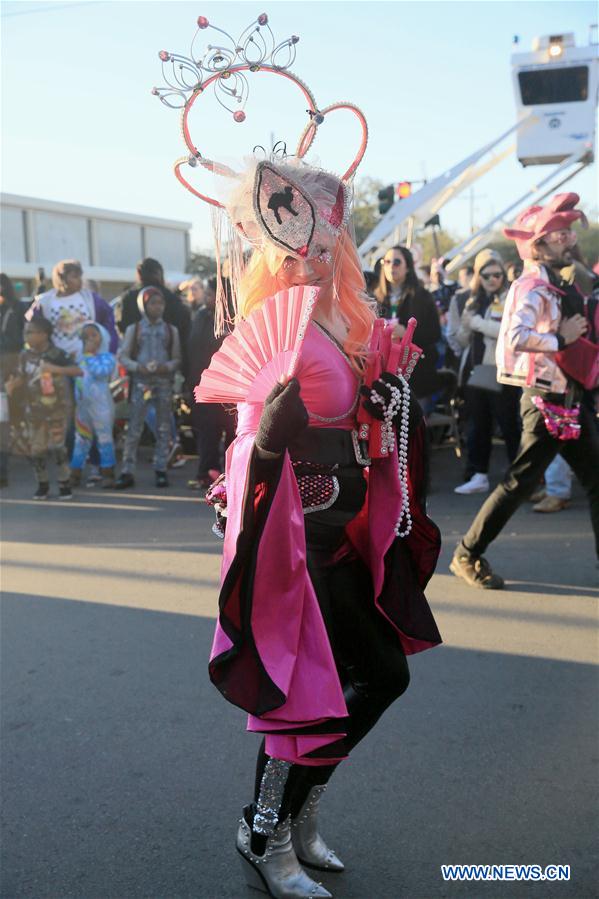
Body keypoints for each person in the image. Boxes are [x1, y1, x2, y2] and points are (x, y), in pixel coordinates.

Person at [154, 16, 442, 898]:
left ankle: (292, 815)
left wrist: (387, 406)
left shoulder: (334, 314)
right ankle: (266, 830)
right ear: (279, 227)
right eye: (307, 225)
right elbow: (243, 442)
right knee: (320, 687)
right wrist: (270, 439)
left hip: (341, 524)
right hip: (296, 531)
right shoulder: (268, 321)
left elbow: (365, 415)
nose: (322, 242)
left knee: (367, 678)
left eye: (330, 226)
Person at [450, 193, 599, 588]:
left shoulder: (557, 282)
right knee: (519, 483)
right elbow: (515, 336)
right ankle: (466, 553)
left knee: (591, 481)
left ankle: (467, 553)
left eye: (569, 232)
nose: (568, 239)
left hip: (568, 398)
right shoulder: (532, 286)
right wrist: (562, 340)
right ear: (538, 244)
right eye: (560, 234)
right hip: (545, 400)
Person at [452, 249, 521, 495]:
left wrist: (478, 324)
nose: (492, 280)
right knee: (477, 425)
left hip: (503, 371)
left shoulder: (512, 297)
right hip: (475, 371)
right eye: (486, 275)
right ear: (477, 276)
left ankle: (520, 476)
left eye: (497, 274)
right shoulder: (470, 300)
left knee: (509, 424)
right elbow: (460, 340)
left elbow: (508, 331)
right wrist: (467, 325)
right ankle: (478, 474)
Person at [6, 318, 80, 499]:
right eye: (26, 332)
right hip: (34, 409)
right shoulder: (25, 355)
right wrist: (13, 385)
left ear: (44, 335)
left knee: (58, 447)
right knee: (36, 449)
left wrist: (53, 369)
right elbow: (22, 375)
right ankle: (43, 484)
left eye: (31, 332)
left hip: (57, 409)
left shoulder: (58, 354)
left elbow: (77, 371)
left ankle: (64, 483)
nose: (27, 336)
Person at [115, 287, 181, 489]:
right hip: (141, 383)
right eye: (152, 303)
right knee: (134, 427)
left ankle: (161, 468)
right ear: (143, 306)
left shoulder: (171, 330)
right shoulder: (134, 330)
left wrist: (166, 367)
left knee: (163, 427)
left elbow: (177, 358)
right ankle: (127, 470)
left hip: (163, 383)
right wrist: (138, 367)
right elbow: (123, 357)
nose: (157, 307)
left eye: (160, 303)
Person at [374, 245, 447, 408]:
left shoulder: (422, 296)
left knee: (411, 427)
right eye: (386, 261)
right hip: (383, 373)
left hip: (416, 375)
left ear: (408, 267)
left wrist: (407, 333)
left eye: (397, 262)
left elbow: (434, 334)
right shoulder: (375, 298)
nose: (391, 266)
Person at [186, 275, 234, 489]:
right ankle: (207, 474)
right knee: (207, 432)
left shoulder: (235, 318)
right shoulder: (201, 316)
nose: (206, 297)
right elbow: (192, 350)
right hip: (204, 384)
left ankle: (234, 475)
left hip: (231, 386)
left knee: (233, 433)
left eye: (210, 293)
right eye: (206, 293)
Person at [26, 260, 118, 359]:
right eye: (75, 277)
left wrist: (108, 349)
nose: (80, 280)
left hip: (88, 360)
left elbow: (108, 322)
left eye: (80, 276)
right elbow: (32, 326)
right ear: (62, 278)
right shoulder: (45, 301)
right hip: (56, 360)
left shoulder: (90, 299)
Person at [70, 322, 117, 489]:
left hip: (101, 406)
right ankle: (75, 472)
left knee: (104, 438)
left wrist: (88, 355)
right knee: (81, 439)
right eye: (86, 336)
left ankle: (108, 473)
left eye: (93, 335)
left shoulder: (107, 358)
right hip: (82, 407)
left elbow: (101, 372)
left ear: (102, 337)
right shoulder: (79, 358)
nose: (89, 339)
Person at [0, 273, 26, 487]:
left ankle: (3, 470)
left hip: (9, 365)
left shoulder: (16, 308)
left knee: (5, 418)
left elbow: (19, 339)